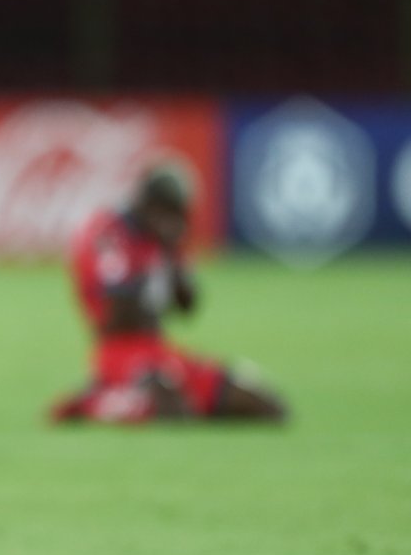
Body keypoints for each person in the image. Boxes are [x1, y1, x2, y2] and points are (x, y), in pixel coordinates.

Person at [52, 161, 286, 423]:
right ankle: (96, 401)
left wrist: (171, 255)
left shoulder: (162, 239)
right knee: (175, 413)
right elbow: (119, 317)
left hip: (159, 349)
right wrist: (148, 269)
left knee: (268, 407)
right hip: (120, 352)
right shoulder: (113, 233)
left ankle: (123, 397)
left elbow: (188, 306)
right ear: (151, 205)